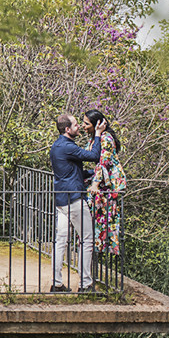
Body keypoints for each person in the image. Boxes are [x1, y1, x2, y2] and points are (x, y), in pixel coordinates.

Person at [49, 113, 103, 292]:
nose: (79, 126)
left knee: (60, 240)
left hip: (61, 200)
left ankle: (57, 284)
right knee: (88, 239)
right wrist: (98, 134)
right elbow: (95, 155)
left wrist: (91, 174)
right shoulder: (67, 147)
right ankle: (85, 284)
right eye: (75, 125)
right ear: (67, 129)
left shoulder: (57, 146)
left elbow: (71, 172)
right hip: (74, 200)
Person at [83, 110, 127, 255]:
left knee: (103, 218)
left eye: (86, 123)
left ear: (96, 125)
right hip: (99, 181)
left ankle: (99, 249)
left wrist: (95, 183)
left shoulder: (106, 138)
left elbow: (104, 162)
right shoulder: (93, 138)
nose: (83, 126)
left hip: (106, 185)